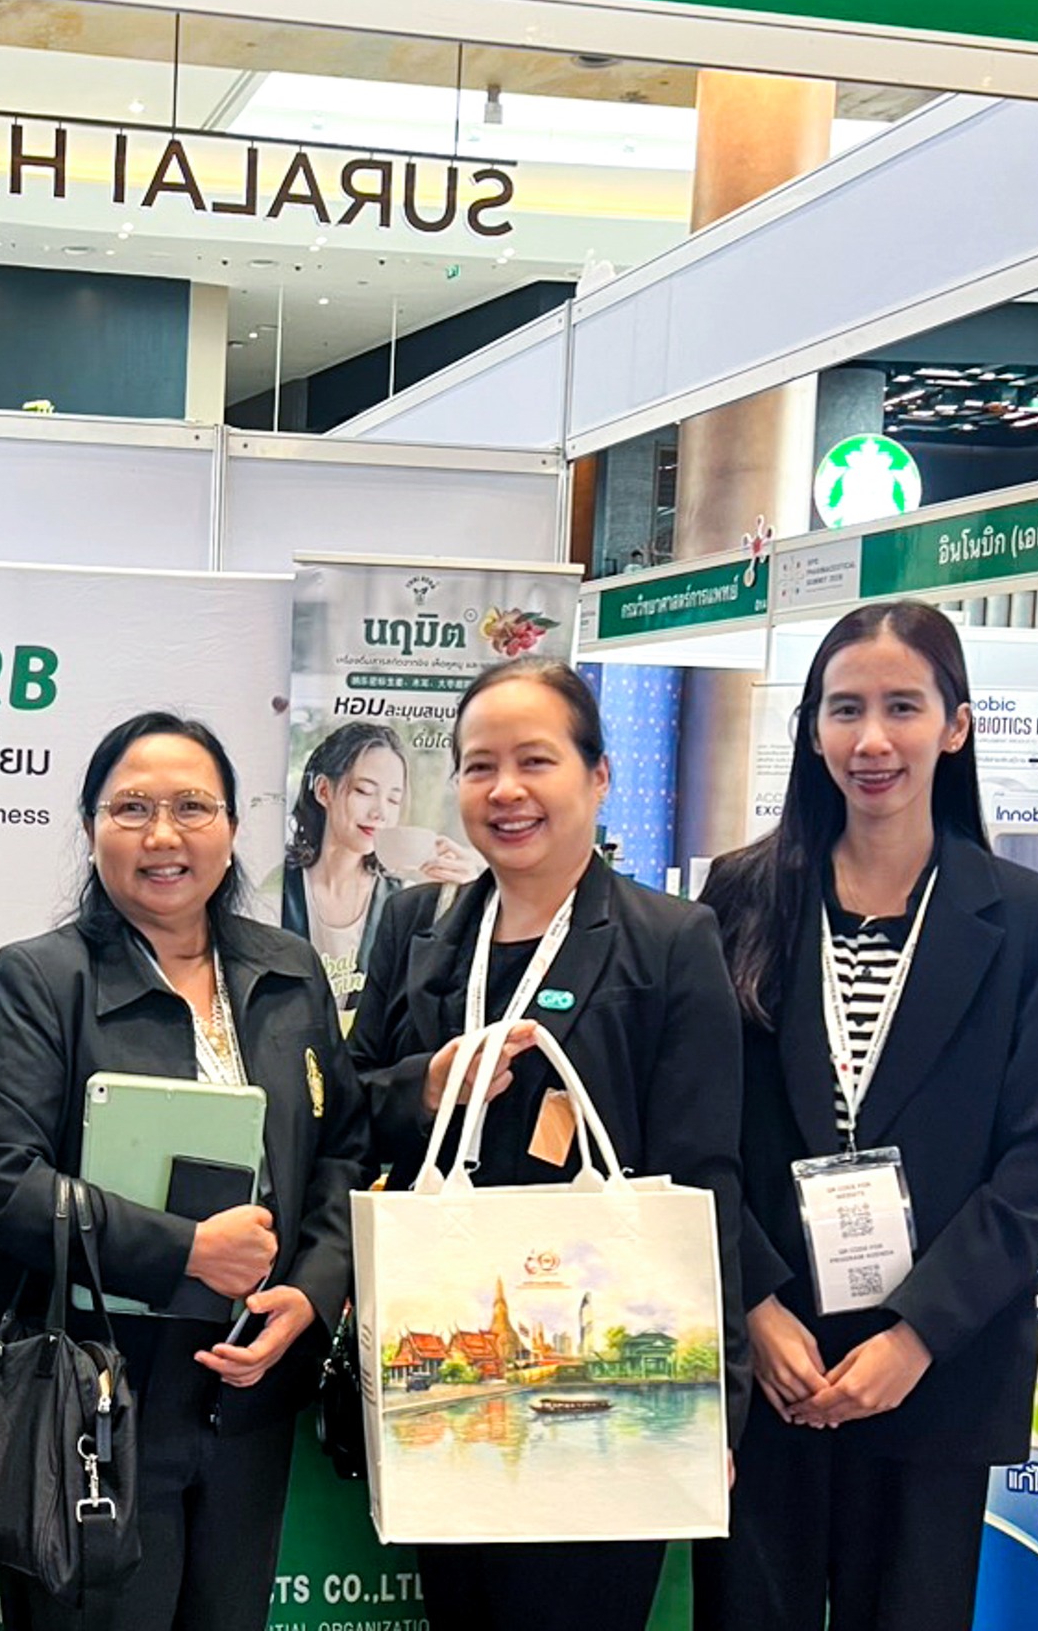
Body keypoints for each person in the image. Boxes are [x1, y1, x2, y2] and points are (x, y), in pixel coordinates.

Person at [691, 601, 1038, 1631]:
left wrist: (915, 1338)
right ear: (812, 730)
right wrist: (753, 1305)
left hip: (936, 1372)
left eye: (901, 707)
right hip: (770, 1363)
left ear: (955, 725)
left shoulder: (1021, 914)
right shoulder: (738, 896)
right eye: (844, 709)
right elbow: (698, 1131)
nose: (871, 739)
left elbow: (1034, 1162)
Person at [0, 711, 368, 1631]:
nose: (164, 835)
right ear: (90, 826)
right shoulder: (44, 979)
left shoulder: (289, 972)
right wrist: (186, 1251)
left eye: (192, 808)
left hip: (251, 1396)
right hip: (95, 1403)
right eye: (131, 808)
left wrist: (312, 1291)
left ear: (233, 828)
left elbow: (344, 1147)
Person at [348, 656, 745, 1631]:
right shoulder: (417, 923)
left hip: (597, 1367)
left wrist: (717, 1399)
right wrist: (424, 1086)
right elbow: (346, 1111)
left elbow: (707, 1177)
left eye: (535, 761)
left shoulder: (667, 940)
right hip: (449, 1347)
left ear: (597, 775)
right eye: (479, 766)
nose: (505, 790)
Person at [280, 721, 411, 1008]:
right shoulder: (278, 889)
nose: (380, 812)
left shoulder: (401, 901)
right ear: (323, 790)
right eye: (364, 791)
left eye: (393, 799)